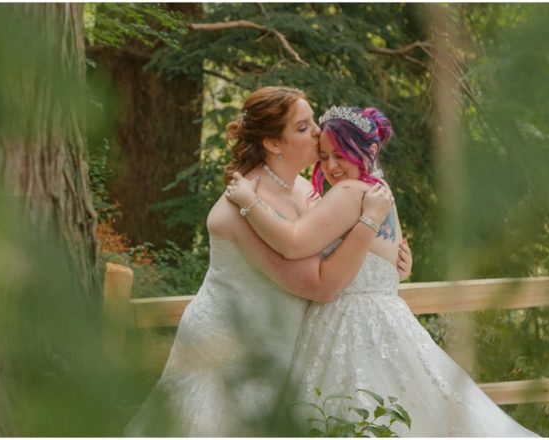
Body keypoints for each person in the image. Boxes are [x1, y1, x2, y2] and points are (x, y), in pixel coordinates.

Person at [229, 105, 536, 436]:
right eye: (325, 155)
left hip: (349, 322)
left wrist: (249, 201)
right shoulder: (380, 192)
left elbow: (293, 243)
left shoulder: (349, 192)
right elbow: (390, 263)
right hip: (387, 316)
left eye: (340, 155)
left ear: (368, 151)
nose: (331, 166)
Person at [126, 87, 406, 436]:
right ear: (274, 143)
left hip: (278, 346)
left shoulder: (305, 189)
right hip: (230, 352)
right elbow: (318, 285)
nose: (319, 132)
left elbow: (332, 247)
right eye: (303, 127)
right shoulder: (243, 204)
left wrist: (382, 267)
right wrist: (368, 225)